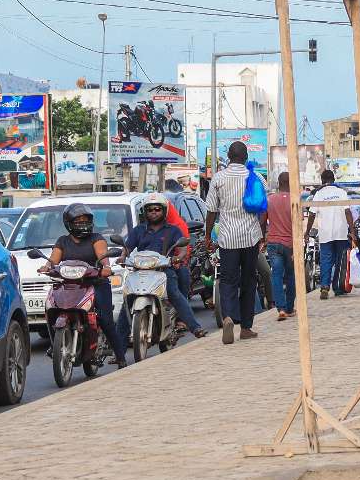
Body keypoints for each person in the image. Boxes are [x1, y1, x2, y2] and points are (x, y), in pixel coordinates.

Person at [117, 192, 208, 347]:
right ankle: (118, 348)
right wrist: (122, 257)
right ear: (145, 212)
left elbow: (184, 248)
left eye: (157, 209)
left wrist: (178, 258)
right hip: (140, 271)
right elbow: (127, 247)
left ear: (164, 211)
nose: (154, 212)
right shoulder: (138, 230)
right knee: (128, 299)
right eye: (150, 209)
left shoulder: (173, 230)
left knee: (174, 294)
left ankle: (195, 327)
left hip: (164, 270)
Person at [49, 203, 129, 363]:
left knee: (105, 320)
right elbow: (53, 260)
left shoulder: (96, 239)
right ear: (69, 223)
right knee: (53, 307)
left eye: (85, 220)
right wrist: (46, 266)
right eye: (78, 221)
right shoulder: (62, 241)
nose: (82, 224)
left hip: (96, 283)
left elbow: (102, 255)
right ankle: (56, 344)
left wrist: (105, 267)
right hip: (71, 285)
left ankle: (120, 357)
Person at [205, 142, 264, 344]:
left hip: (228, 238)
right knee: (249, 280)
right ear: (246, 156)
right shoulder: (255, 177)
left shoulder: (219, 178)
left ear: (228, 156)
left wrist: (207, 236)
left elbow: (212, 210)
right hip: (250, 238)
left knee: (228, 280)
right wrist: (262, 233)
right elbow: (264, 209)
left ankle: (228, 316)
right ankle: (246, 327)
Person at [307, 168, 354, 299]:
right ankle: (338, 288)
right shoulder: (341, 192)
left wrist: (307, 232)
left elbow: (311, 214)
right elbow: (348, 212)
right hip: (341, 233)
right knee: (340, 260)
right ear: (334, 179)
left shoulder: (319, 194)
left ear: (322, 181)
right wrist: (353, 230)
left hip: (325, 234)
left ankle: (324, 287)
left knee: (326, 261)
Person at [265, 172, 297, 320]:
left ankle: (281, 309)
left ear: (278, 183)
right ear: (290, 183)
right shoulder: (294, 200)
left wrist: (262, 239)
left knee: (276, 275)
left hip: (273, 243)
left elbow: (262, 221)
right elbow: (297, 224)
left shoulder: (270, 199)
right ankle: (289, 307)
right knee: (291, 275)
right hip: (290, 244)